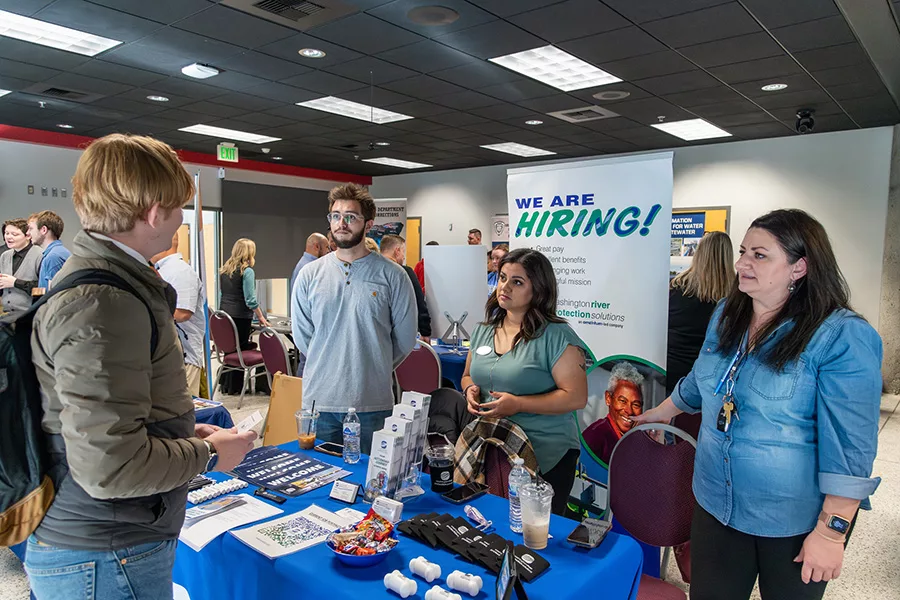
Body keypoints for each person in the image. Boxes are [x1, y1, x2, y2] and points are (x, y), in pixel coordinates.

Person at [25, 134, 256, 600]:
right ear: (153, 211)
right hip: (107, 549)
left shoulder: (109, 286)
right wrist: (208, 456)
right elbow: (110, 466)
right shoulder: (104, 302)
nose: (178, 221)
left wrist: (182, 437)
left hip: (106, 541)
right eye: (177, 209)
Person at [632, 209, 881, 600]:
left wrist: (831, 532)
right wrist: (663, 412)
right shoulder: (727, 313)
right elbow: (703, 377)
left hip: (791, 520)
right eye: (743, 251)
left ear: (799, 267)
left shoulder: (841, 336)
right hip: (716, 503)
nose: (741, 263)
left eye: (759, 255)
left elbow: (851, 447)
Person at [460, 248, 589, 516]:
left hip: (544, 453)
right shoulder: (483, 330)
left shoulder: (557, 335)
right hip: (490, 447)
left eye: (517, 282)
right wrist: (469, 389)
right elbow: (468, 376)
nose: (504, 287)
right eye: (503, 278)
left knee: (535, 535)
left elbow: (575, 397)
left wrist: (518, 404)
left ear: (538, 290)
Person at [292, 183, 417, 454]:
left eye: (351, 217)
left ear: (368, 224)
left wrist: (373, 361)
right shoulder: (310, 275)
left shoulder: (393, 276)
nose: (341, 223)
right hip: (319, 403)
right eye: (335, 216)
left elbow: (405, 341)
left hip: (371, 403)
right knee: (318, 483)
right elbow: (304, 339)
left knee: (370, 485)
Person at [667, 231, 734, 396]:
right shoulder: (735, 297)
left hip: (670, 371)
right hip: (710, 377)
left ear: (699, 254)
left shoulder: (677, 287)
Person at [152, 233, 206, 397]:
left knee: (183, 410)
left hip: (185, 358)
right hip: (169, 356)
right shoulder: (162, 270)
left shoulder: (180, 271)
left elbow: (182, 313)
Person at [581, 362, 644, 465]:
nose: (629, 411)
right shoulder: (594, 436)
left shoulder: (639, 440)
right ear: (608, 398)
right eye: (623, 401)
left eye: (636, 404)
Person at [219, 238, 269, 351]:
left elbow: (224, 293)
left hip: (224, 316)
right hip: (240, 319)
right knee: (240, 353)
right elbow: (250, 300)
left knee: (230, 352)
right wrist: (261, 316)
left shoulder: (225, 271)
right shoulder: (247, 272)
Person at [381, 233, 431, 343]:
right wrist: (425, 331)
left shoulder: (371, 271)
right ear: (397, 250)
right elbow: (419, 302)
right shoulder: (405, 272)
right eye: (403, 252)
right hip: (400, 334)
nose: (403, 257)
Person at [0, 218, 43, 313]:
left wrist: (15, 282)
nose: (8, 237)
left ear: (27, 236)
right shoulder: (4, 256)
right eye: (7, 233)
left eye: (14, 234)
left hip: (30, 314)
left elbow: (43, 288)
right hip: (8, 313)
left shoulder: (40, 254)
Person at [27, 210, 71, 290]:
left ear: (44, 230)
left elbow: (53, 296)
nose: (28, 233)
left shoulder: (53, 257)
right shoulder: (57, 252)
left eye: (31, 229)